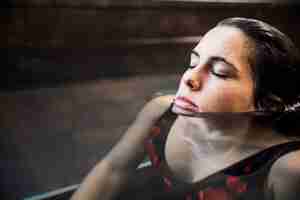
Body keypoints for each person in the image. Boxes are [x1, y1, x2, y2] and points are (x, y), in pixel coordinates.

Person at [71, 18, 300, 200]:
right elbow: (112, 171)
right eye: (193, 62)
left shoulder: (288, 168)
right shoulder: (161, 113)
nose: (190, 78)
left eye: (219, 72)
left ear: (268, 103)